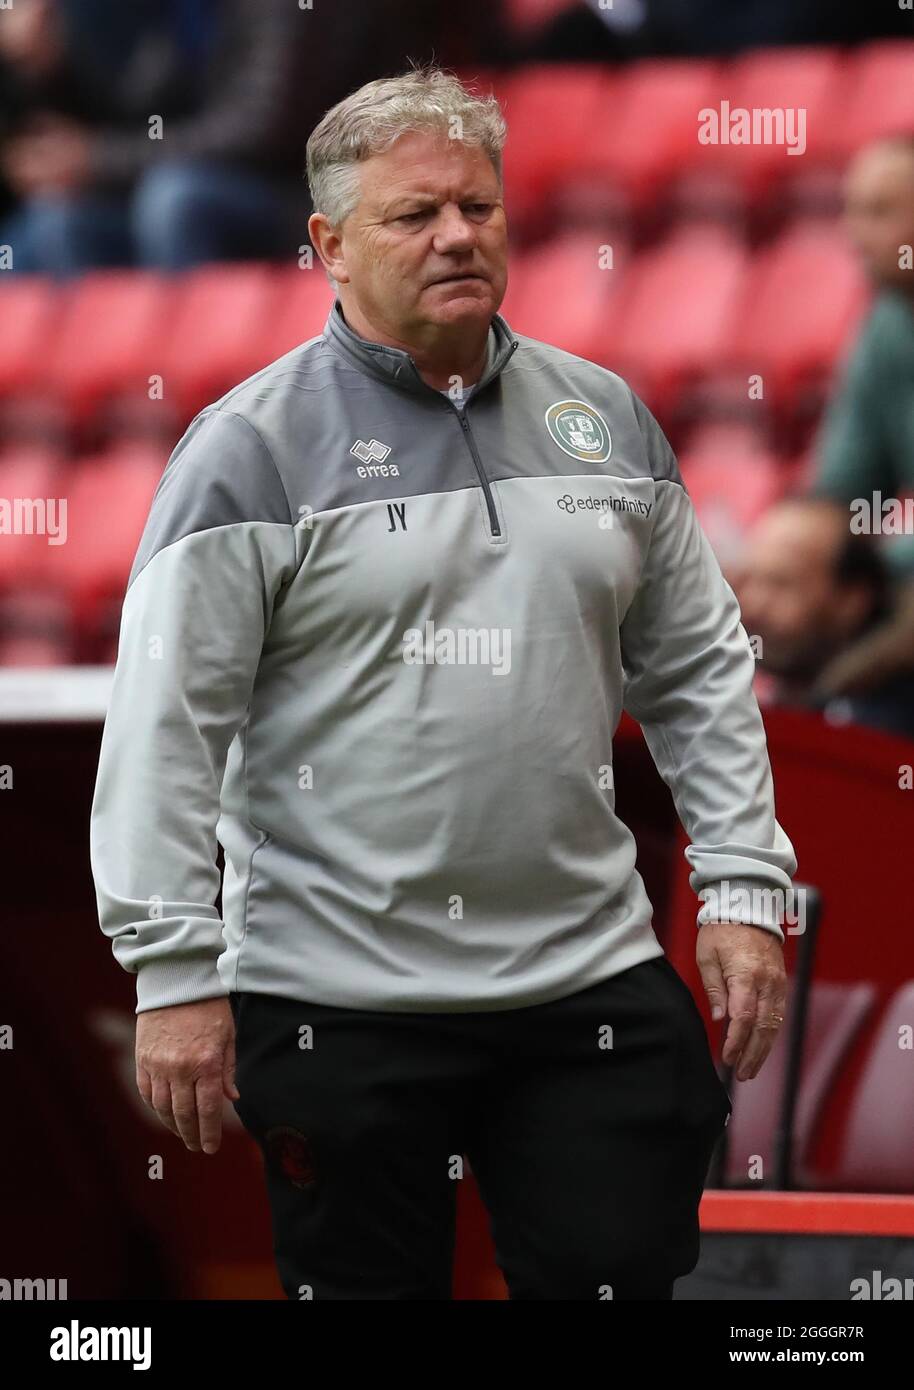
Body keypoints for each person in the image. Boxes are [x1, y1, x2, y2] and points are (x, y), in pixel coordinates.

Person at [89, 65, 797, 1301]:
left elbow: (692, 669)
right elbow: (166, 729)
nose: (456, 234)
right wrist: (174, 971)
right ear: (328, 246)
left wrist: (742, 881)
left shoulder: (609, 420)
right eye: (413, 215)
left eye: (476, 206)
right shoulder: (243, 453)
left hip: (586, 981)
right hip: (332, 997)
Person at [807, 134, 914, 701]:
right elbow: (841, 494)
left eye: (878, 211)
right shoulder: (887, 325)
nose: (853, 235)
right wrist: (795, 562)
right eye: (850, 210)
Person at [737, 496, 914, 741]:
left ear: (852, 599)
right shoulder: (772, 701)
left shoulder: (885, 724)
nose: (753, 605)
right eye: (749, 580)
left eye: (780, 584)